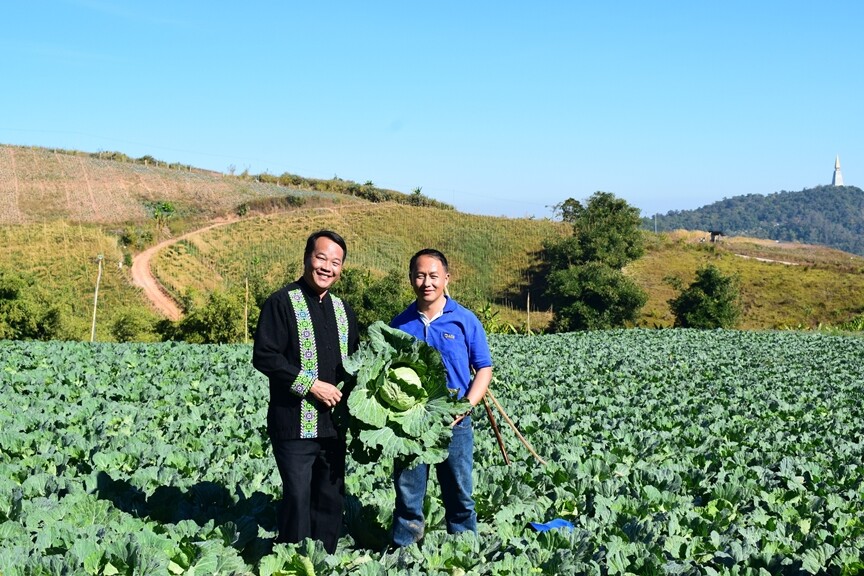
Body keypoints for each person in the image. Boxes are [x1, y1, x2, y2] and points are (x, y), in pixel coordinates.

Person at [252, 229, 359, 554]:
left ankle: (322, 561)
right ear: (307, 258)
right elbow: (265, 356)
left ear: (341, 268)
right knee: (297, 499)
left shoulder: (344, 310)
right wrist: (310, 384)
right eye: (321, 258)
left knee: (329, 500)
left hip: (333, 428)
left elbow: (354, 365)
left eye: (335, 262)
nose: (327, 267)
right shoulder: (281, 303)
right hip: (294, 426)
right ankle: (291, 562)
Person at [389, 248, 493, 547]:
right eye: (420, 275)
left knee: (460, 495)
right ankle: (404, 554)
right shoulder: (399, 324)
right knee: (408, 494)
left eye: (434, 276)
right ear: (411, 279)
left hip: (454, 423)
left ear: (446, 278)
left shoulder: (464, 320)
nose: (427, 282)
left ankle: (463, 552)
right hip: (409, 425)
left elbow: (484, 368)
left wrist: (466, 406)